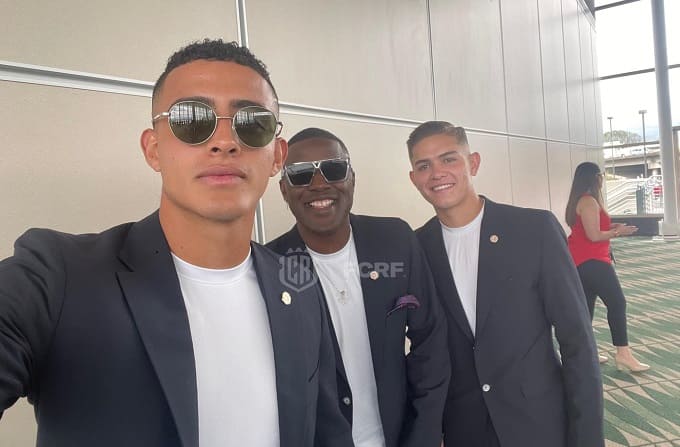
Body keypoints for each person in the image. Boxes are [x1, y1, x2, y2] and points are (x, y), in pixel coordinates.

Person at [0, 40, 353, 447]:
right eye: (192, 120)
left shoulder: (298, 287)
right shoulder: (60, 277)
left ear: (277, 156)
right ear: (153, 149)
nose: (225, 141)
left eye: (252, 122)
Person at [407, 121, 604, 447]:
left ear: (473, 163)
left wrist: (587, 440)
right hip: (464, 429)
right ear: (414, 178)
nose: (437, 173)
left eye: (449, 159)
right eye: (424, 166)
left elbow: (577, 342)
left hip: (539, 424)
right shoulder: (418, 248)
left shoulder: (534, 230)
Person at [267, 127, 450, 447]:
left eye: (334, 169)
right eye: (301, 174)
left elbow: (430, 342)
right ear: (284, 189)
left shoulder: (395, 240)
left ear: (352, 178)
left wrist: (423, 436)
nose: (319, 184)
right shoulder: (270, 267)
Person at [565, 161, 649, 372]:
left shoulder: (581, 200)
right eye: (601, 175)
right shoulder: (588, 201)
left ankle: (585, 352)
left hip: (581, 261)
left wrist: (613, 226)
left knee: (587, 308)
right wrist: (619, 232)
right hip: (592, 260)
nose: (602, 179)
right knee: (617, 303)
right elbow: (594, 235)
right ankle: (623, 354)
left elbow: (591, 226)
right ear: (595, 178)